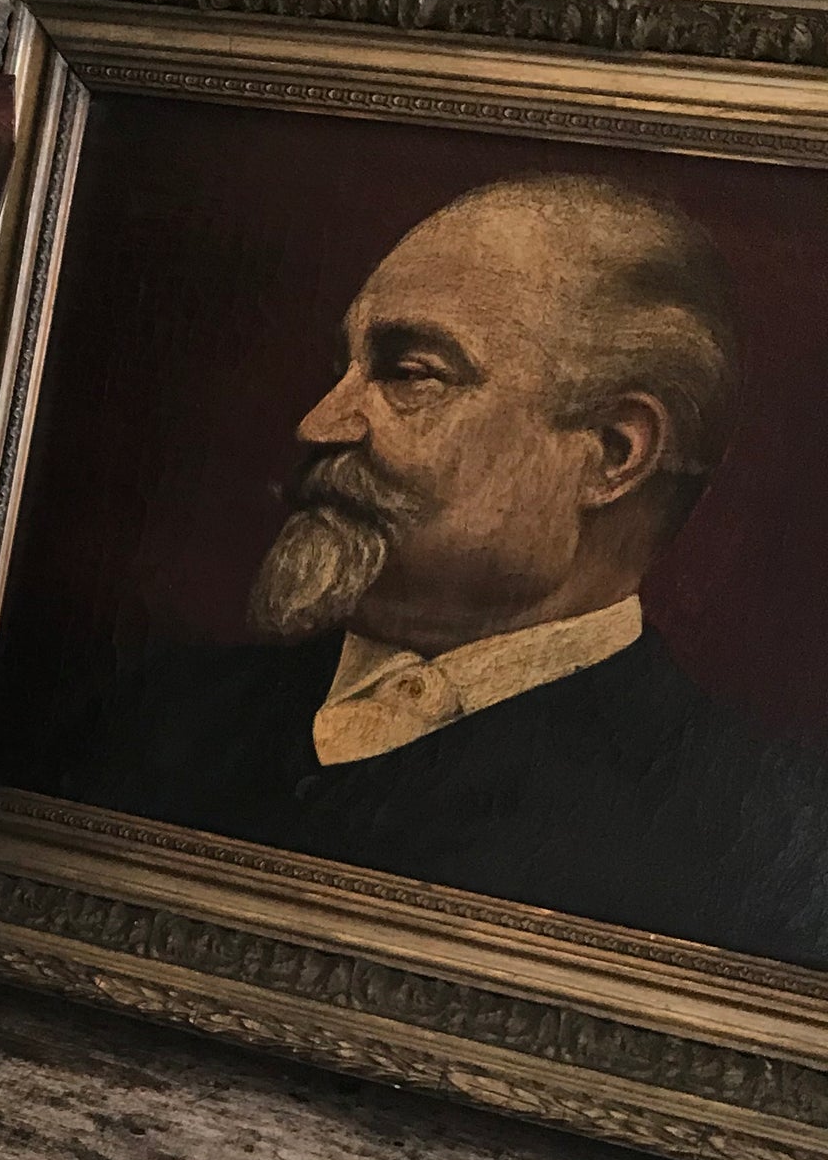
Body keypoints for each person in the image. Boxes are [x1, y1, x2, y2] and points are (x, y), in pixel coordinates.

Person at [51, 172, 828, 964]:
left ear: (611, 455)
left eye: (410, 373)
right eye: (343, 366)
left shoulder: (760, 834)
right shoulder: (149, 712)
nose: (318, 422)